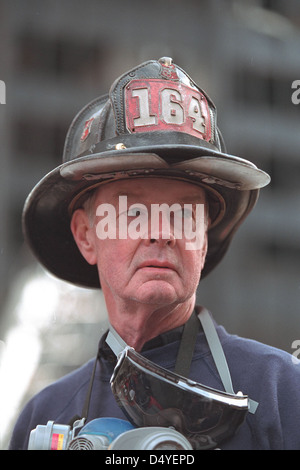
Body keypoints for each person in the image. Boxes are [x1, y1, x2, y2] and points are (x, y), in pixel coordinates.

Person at [9, 57, 300, 450]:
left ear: (204, 236)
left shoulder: (284, 393)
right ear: (86, 235)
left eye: (183, 213)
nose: (162, 232)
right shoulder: (43, 416)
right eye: (134, 211)